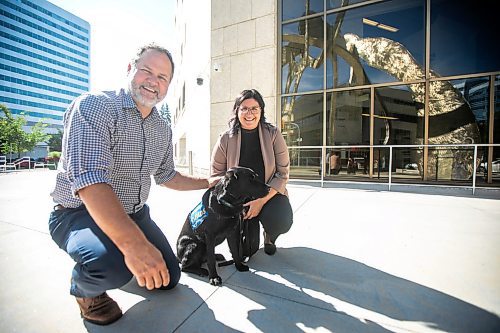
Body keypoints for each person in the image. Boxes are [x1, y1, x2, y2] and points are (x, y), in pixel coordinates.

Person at [48, 43, 214, 326]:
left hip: (134, 213)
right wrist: (134, 246)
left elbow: (166, 175)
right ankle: (85, 289)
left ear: (168, 86)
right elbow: (91, 182)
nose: (153, 81)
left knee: (168, 279)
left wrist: (209, 182)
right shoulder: (95, 106)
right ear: (129, 70)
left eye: (162, 78)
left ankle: (121, 258)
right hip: (77, 213)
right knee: (112, 266)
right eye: (146, 71)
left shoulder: (162, 127)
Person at [211, 89, 293, 257]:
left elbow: (283, 174)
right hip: (240, 200)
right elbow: (215, 176)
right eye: (244, 108)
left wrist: (260, 202)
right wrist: (235, 203)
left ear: (261, 111)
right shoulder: (225, 139)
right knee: (247, 252)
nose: (250, 113)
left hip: (268, 193)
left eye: (254, 108)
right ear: (237, 111)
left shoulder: (273, 134)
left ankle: (270, 236)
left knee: (281, 220)